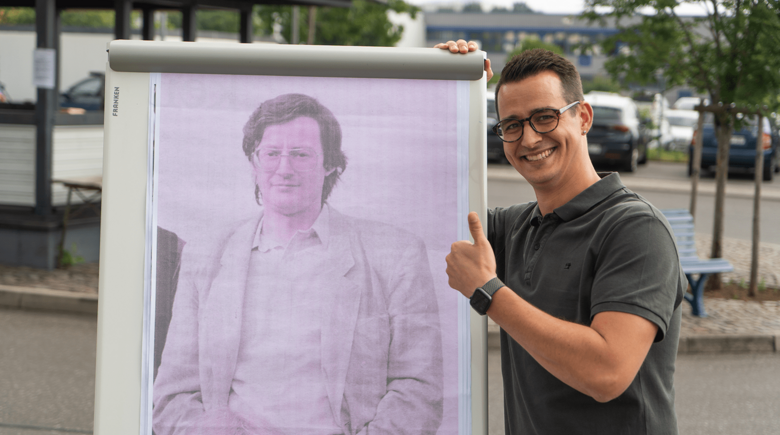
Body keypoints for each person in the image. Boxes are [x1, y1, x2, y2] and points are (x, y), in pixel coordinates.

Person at [153, 93, 443, 435]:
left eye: (301, 154)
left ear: (330, 163)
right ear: (253, 162)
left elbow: (419, 391)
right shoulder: (206, 256)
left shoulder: (395, 255)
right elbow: (172, 399)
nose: (284, 169)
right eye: (271, 154)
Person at [439, 40, 685, 434]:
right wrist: (442, 86)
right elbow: (423, 204)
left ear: (583, 117)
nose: (529, 139)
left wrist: (489, 292)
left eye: (545, 117)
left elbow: (607, 372)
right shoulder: (510, 228)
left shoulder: (638, 229)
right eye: (512, 125)